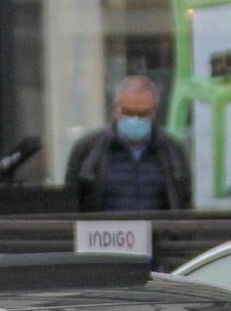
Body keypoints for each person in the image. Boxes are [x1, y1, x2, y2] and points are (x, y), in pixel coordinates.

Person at [66, 76, 193, 213]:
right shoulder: (88, 148)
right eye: (128, 112)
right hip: (104, 233)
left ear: (153, 113)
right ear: (117, 109)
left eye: (142, 113)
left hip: (159, 233)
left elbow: (183, 201)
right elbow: (71, 202)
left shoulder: (172, 150)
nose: (135, 119)